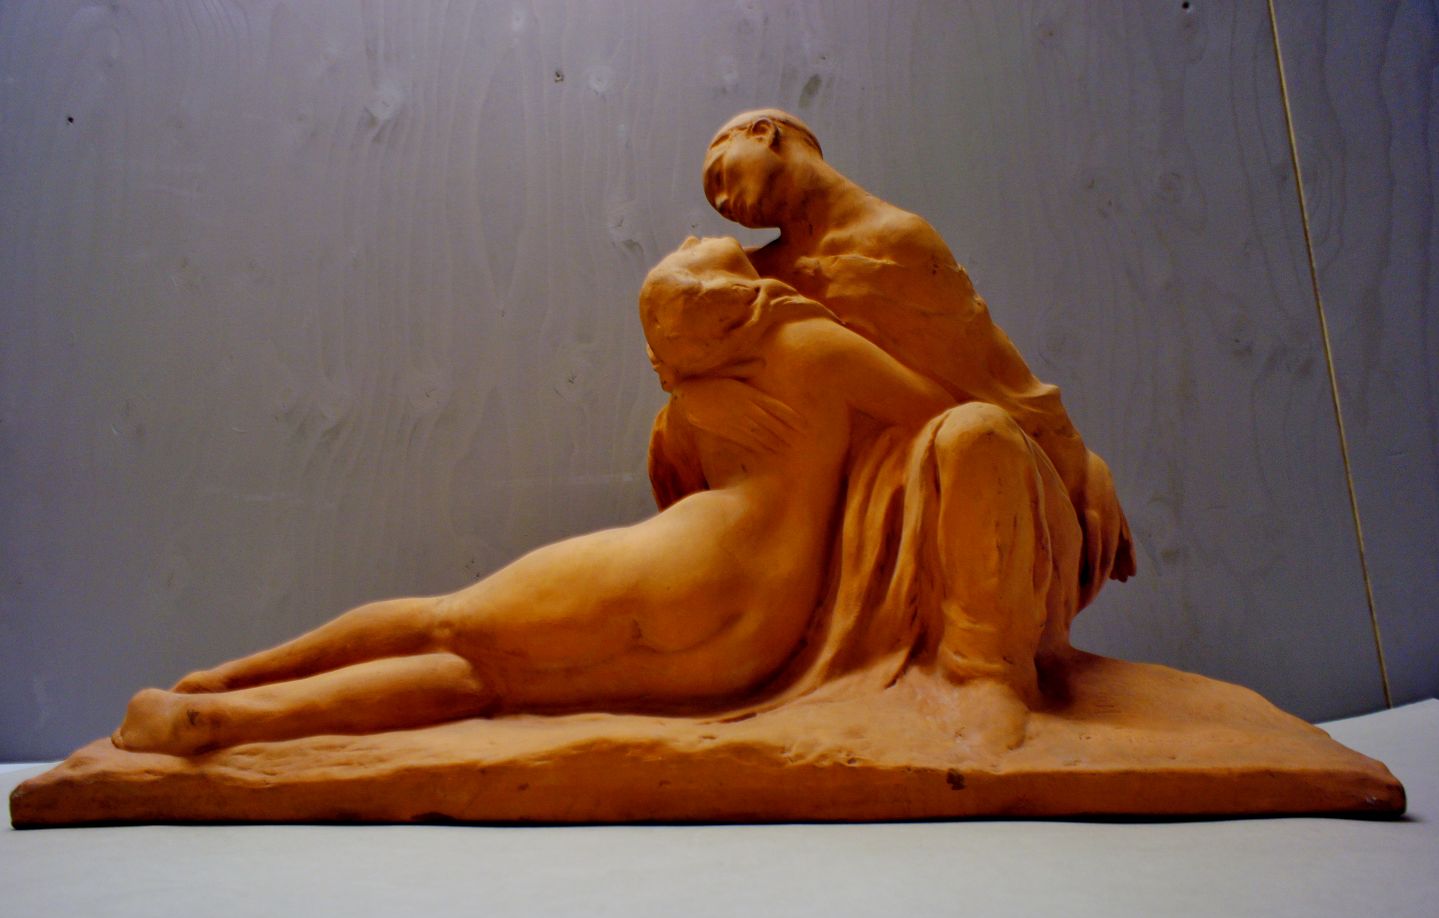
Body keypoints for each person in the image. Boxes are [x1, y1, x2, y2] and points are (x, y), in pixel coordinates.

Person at [111, 237, 958, 756]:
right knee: (488, 684)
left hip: (690, 567)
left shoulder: (763, 366)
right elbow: (940, 411)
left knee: (452, 622)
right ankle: (220, 717)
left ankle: (220, 693)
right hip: (753, 637)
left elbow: (943, 415)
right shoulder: (810, 352)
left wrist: (695, 397)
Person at [691, 108, 1134, 608]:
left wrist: (1079, 467)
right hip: (809, 488)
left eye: (720, 176)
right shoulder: (751, 270)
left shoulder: (897, 240)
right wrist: (696, 395)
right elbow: (676, 325)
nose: (723, 204)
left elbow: (993, 371)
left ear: (763, 134)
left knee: (975, 436)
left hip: (919, 475)